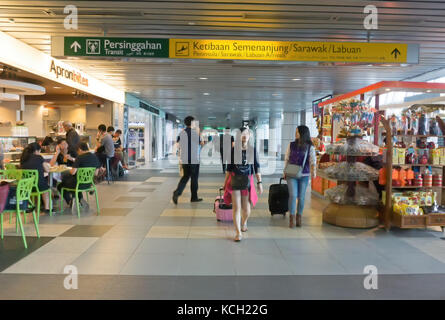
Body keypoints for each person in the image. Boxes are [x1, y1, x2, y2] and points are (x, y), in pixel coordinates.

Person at [223, 127, 263, 242]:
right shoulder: (233, 150)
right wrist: (225, 183)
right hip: (234, 180)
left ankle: (244, 222)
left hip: (247, 181)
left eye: (246, 133)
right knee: (236, 207)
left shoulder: (252, 150)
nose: (244, 135)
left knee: (246, 209)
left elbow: (256, 167)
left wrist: (259, 182)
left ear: (249, 136)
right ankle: (238, 232)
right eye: (242, 134)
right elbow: (229, 168)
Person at [283, 125, 317, 228]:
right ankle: (292, 218)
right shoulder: (291, 145)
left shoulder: (310, 147)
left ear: (303, 133)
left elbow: (312, 160)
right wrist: (284, 171)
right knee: (293, 195)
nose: (296, 133)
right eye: (296, 131)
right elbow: (287, 158)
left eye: (298, 132)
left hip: (304, 174)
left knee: (301, 197)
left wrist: (314, 170)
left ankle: (299, 217)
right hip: (291, 174)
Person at [57, 142, 101, 213]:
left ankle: (71, 201)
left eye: (77, 151)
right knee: (72, 183)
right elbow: (96, 173)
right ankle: (79, 199)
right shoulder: (94, 157)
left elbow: (73, 172)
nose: (77, 153)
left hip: (78, 184)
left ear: (80, 149)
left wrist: (70, 170)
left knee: (61, 185)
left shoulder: (80, 158)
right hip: (89, 184)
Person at [172, 116, 204, 204]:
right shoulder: (195, 133)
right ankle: (194, 197)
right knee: (194, 178)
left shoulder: (182, 132)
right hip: (194, 159)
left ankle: (177, 192)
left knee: (185, 176)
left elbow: (177, 144)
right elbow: (201, 144)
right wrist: (199, 133)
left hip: (185, 159)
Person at [20, 142, 50, 213]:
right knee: (46, 189)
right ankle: (47, 208)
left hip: (27, 186)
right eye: (39, 151)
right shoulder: (39, 157)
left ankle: (29, 204)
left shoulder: (23, 158)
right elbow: (47, 170)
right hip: (38, 185)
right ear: (36, 151)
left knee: (42, 183)